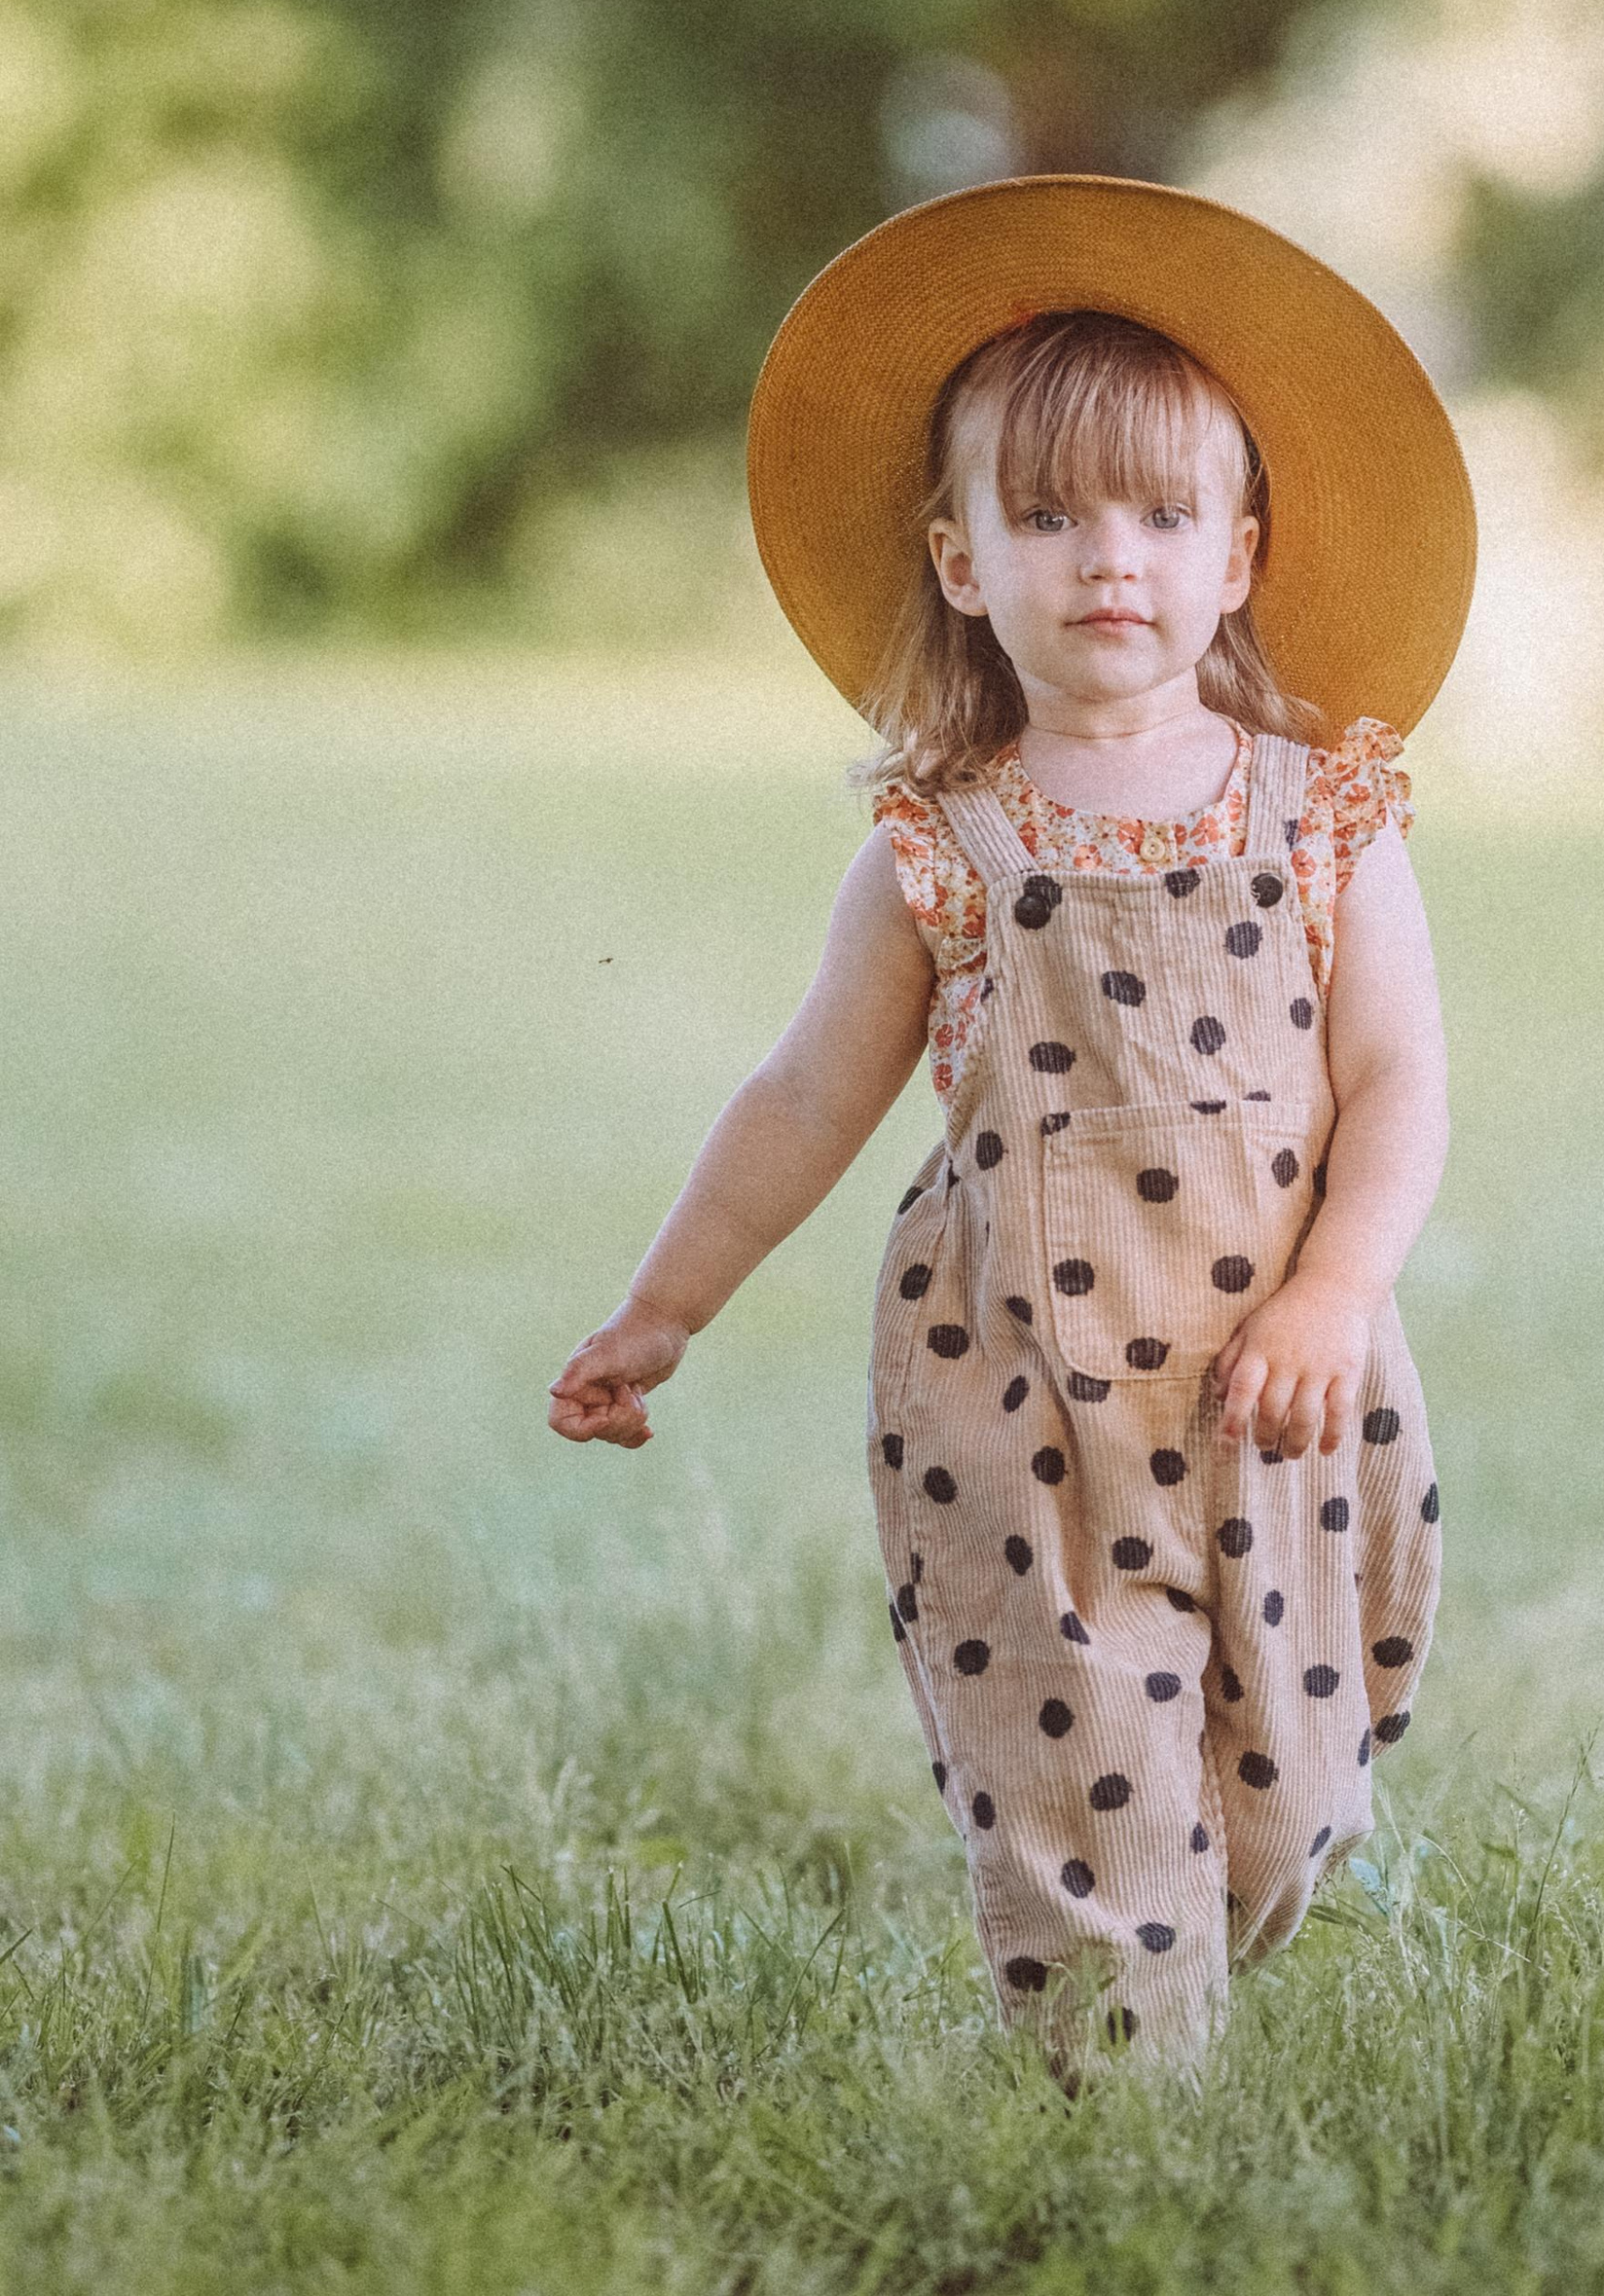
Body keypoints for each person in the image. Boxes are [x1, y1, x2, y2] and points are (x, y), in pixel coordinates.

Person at [547, 174, 1476, 2062]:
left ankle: (1197, 1960)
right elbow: (805, 1093)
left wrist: (1334, 1291)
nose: (1105, 557)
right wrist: (663, 1311)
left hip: (1274, 1385)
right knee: (1079, 1796)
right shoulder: (939, 846)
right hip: (1013, 1396)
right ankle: (1123, 2138)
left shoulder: (1324, 817)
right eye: (1044, 516)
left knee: (1284, 1802)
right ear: (963, 562)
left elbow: (1395, 1078)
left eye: (1156, 512)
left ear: (1239, 552)